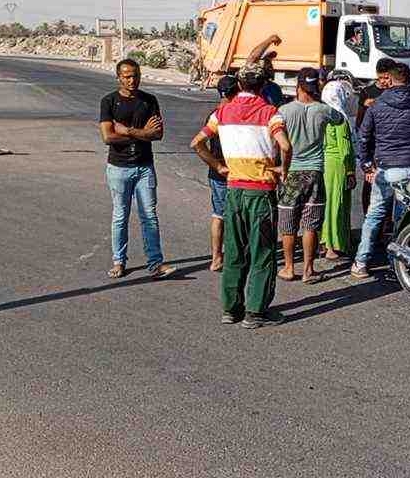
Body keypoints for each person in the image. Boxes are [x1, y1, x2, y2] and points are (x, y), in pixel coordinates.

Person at [195, 63, 293, 328]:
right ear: (263, 85)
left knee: (235, 251)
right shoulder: (270, 113)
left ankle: (231, 309)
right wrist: (283, 169)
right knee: (262, 252)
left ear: (239, 85)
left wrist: (217, 166)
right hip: (260, 193)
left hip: (234, 190)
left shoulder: (222, 112)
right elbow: (284, 145)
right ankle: (256, 312)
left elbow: (197, 143)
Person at [354, 61, 410, 279]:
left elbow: (363, 137)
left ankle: (361, 262)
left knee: (374, 217)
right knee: (404, 219)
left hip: (386, 169)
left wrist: (366, 163)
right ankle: (397, 264)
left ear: (389, 79)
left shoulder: (377, 105)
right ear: (408, 79)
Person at [98, 59, 177, 280]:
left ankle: (155, 263)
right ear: (118, 77)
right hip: (119, 168)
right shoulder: (109, 102)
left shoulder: (149, 100)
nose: (132, 80)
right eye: (127, 76)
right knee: (120, 216)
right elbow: (107, 137)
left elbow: (158, 134)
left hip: (145, 167)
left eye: (135, 75)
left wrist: (128, 131)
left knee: (149, 216)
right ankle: (119, 261)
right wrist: (143, 132)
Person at [275, 67, 344, 283]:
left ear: (298, 86)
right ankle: (308, 269)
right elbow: (340, 120)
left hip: (292, 171)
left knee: (288, 224)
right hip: (315, 172)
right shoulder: (323, 110)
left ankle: (288, 267)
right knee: (310, 224)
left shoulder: (284, 111)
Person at [190, 75, 239, 272]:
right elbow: (196, 143)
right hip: (233, 172)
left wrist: (215, 165)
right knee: (235, 217)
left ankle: (216, 257)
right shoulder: (231, 115)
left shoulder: (214, 115)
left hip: (218, 173)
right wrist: (219, 166)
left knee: (219, 216)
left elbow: (199, 144)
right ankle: (232, 256)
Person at [320, 70, 358, 261]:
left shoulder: (321, 114)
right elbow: (345, 150)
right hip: (338, 166)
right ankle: (334, 245)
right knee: (338, 204)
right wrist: (351, 171)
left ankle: (324, 240)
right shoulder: (340, 119)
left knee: (326, 204)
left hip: (325, 164)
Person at [356, 57, 397, 218]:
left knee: (391, 187)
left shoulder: (397, 92)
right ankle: (369, 218)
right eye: (381, 78)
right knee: (370, 184)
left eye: (387, 78)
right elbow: (359, 124)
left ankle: (387, 224)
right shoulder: (367, 93)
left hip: (391, 147)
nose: (384, 82)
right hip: (373, 147)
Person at [246, 33, 286, 106]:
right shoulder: (249, 85)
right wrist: (269, 40)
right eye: (266, 61)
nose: (270, 65)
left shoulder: (274, 88)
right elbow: (252, 58)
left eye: (269, 61)